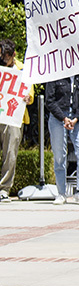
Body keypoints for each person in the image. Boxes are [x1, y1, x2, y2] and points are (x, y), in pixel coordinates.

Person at [45, 73, 79, 205]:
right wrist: (63, 118)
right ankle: (61, 193)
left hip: (78, 118)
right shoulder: (55, 74)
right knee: (59, 155)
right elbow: (50, 100)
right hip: (58, 118)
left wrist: (76, 118)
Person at [0, 39, 32, 202]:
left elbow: (30, 93)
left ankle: (4, 188)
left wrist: (28, 97)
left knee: (10, 153)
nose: (4, 60)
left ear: (13, 55)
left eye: (6, 57)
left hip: (13, 117)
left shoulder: (22, 69)